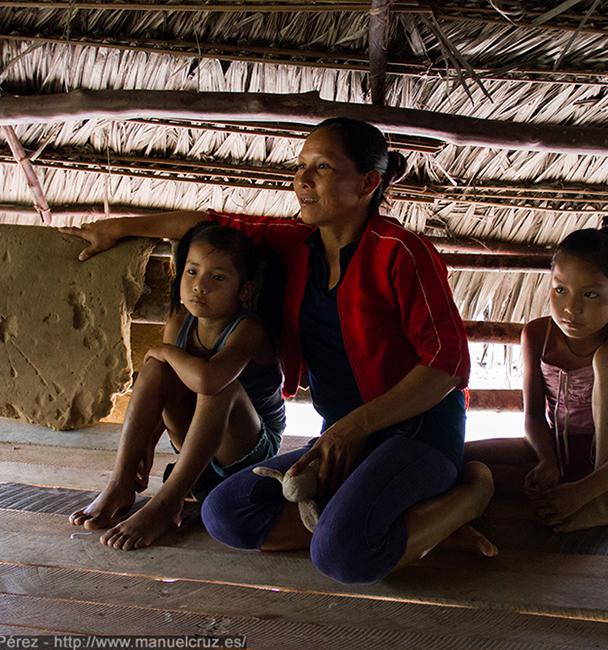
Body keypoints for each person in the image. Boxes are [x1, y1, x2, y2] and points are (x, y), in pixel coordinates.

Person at [63, 117, 495, 582]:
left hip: (417, 433)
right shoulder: (295, 246)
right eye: (301, 165)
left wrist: (351, 430)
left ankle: (472, 493)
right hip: (340, 437)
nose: (302, 180)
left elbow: (447, 364)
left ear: (369, 182)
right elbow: (210, 227)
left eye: (323, 167)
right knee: (225, 512)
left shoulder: (400, 252)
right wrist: (121, 227)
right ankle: (409, 526)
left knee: (343, 557)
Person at [68, 222, 286, 551]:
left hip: (247, 448)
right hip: (195, 442)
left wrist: (166, 351)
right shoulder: (180, 322)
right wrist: (144, 446)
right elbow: (163, 392)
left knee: (215, 385)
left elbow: (210, 380)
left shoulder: (248, 331)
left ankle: (167, 503)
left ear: (245, 290)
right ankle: (120, 482)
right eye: (192, 272)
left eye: (218, 278)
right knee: (156, 370)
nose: (200, 286)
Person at [465, 217, 608, 532]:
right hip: (555, 451)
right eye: (561, 289)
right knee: (458, 460)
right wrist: (547, 460)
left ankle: (601, 498)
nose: (571, 307)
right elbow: (533, 415)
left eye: (590, 295)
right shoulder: (536, 334)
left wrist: (585, 491)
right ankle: (583, 495)